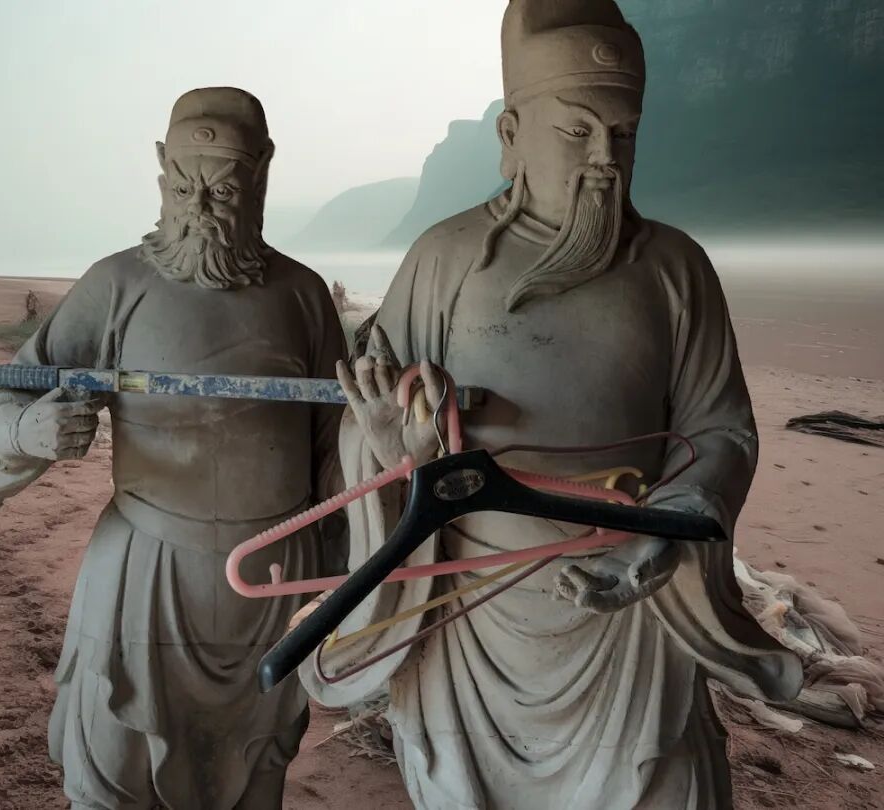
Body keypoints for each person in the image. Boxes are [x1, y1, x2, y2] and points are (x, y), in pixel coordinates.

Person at [302, 3, 803, 808]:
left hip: (629, 619)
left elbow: (721, 431)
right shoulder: (443, 260)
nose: (604, 157)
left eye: (623, 134)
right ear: (511, 136)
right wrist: (395, 451)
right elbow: (369, 422)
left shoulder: (676, 269)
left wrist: (669, 528)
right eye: (578, 131)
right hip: (469, 616)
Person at [0, 87, 348, 810]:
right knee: (114, 777)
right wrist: (27, 431)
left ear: (262, 175)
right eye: (184, 186)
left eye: (223, 188)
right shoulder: (118, 284)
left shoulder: (302, 295)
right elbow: (13, 394)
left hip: (272, 585)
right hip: (146, 577)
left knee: (251, 778)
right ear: (161, 169)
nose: (200, 207)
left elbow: (337, 449)